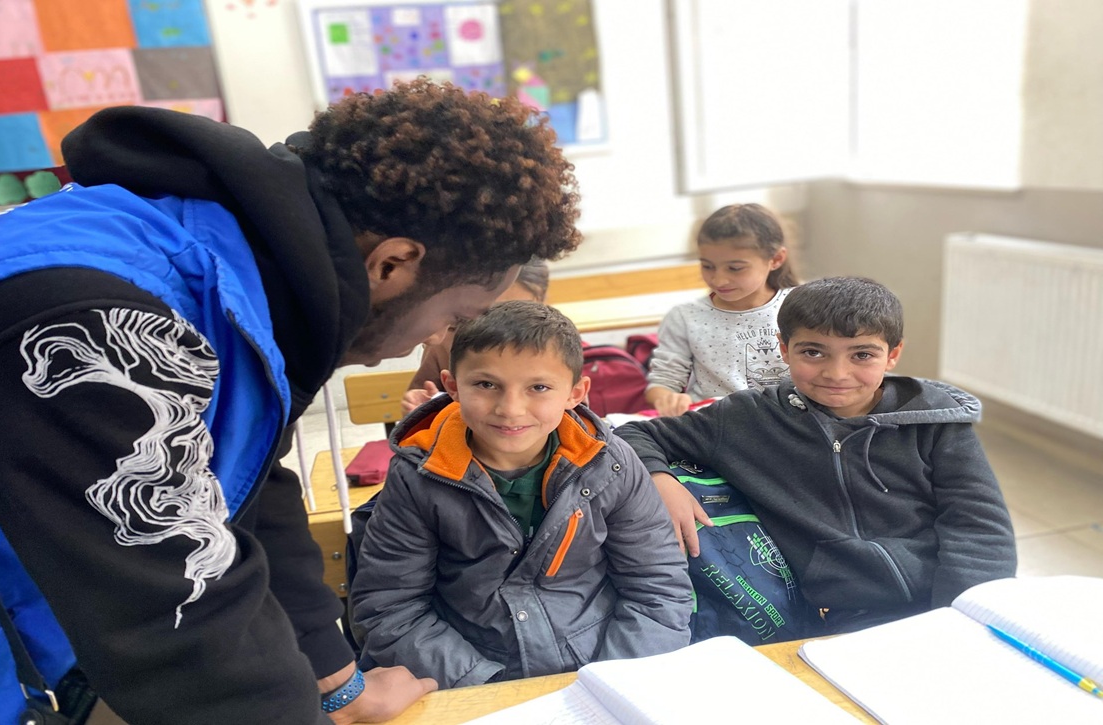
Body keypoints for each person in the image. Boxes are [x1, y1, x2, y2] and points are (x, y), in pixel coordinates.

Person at [0, 79, 581, 724]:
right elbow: (177, 622)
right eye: (455, 316)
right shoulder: (96, 318)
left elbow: (245, 491)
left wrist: (337, 684)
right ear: (393, 264)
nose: (429, 342)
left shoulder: (235, 278)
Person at [617, 277, 1016, 634]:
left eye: (862, 355)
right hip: (848, 613)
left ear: (893, 354)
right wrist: (660, 480)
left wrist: (957, 618)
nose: (836, 373)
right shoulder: (746, 418)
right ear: (784, 348)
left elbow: (979, 527)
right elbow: (634, 433)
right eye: (813, 352)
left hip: (949, 601)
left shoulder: (937, 421)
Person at [351, 301, 692, 688]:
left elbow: (657, 586)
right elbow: (391, 608)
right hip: (473, 673)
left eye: (539, 388)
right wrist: (485, 687)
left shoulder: (611, 464)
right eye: (486, 385)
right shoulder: (418, 477)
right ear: (452, 387)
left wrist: (612, 680)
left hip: (601, 665)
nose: (510, 409)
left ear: (576, 393)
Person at [645, 203, 797, 417]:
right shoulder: (685, 317)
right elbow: (663, 381)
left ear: (776, 259)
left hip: (789, 421)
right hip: (715, 423)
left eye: (735, 268)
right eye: (707, 266)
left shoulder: (800, 305)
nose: (718, 279)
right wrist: (668, 398)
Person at [401, 259, 550, 414]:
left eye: (521, 310)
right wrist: (420, 409)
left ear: (541, 302)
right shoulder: (444, 341)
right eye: (493, 310)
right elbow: (424, 400)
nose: (505, 320)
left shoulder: (554, 343)